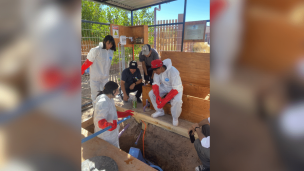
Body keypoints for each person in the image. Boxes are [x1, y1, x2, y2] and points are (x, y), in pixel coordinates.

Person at [94, 81, 134, 148]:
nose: (118, 92)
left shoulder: (110, 99)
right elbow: (100, 121)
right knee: (108, 154)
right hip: (105, 136)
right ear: (112, 91)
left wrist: (124, 114)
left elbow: (112, 113)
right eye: (117, 90)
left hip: (112, 134)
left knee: (114, 152)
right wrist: (107, 125)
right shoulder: (103, 102)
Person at [81, 35, 116, 108]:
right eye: (108, 43)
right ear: (104, 42)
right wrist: (82, 69)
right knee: (96, 96)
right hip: (95, 78)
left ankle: (104, 111)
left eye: (111, 44)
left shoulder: (111, 52)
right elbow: (89, 61)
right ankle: (96, 113)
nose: (109, 45)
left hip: (104, 78)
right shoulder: (97, 50)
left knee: (106, 95)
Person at [148, 59, 183, 126]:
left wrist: (164, 101)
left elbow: (176, 89)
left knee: (177, 100)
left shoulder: (173, 71)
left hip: (176, 88)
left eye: (155, 70)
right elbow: (156, 83)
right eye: (153, 70)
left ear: (161, 67)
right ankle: (160, 111)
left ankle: (175, 118)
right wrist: (157, 95)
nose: (154, 72)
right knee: (151, 93)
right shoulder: (157, 72)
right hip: (164, 86)